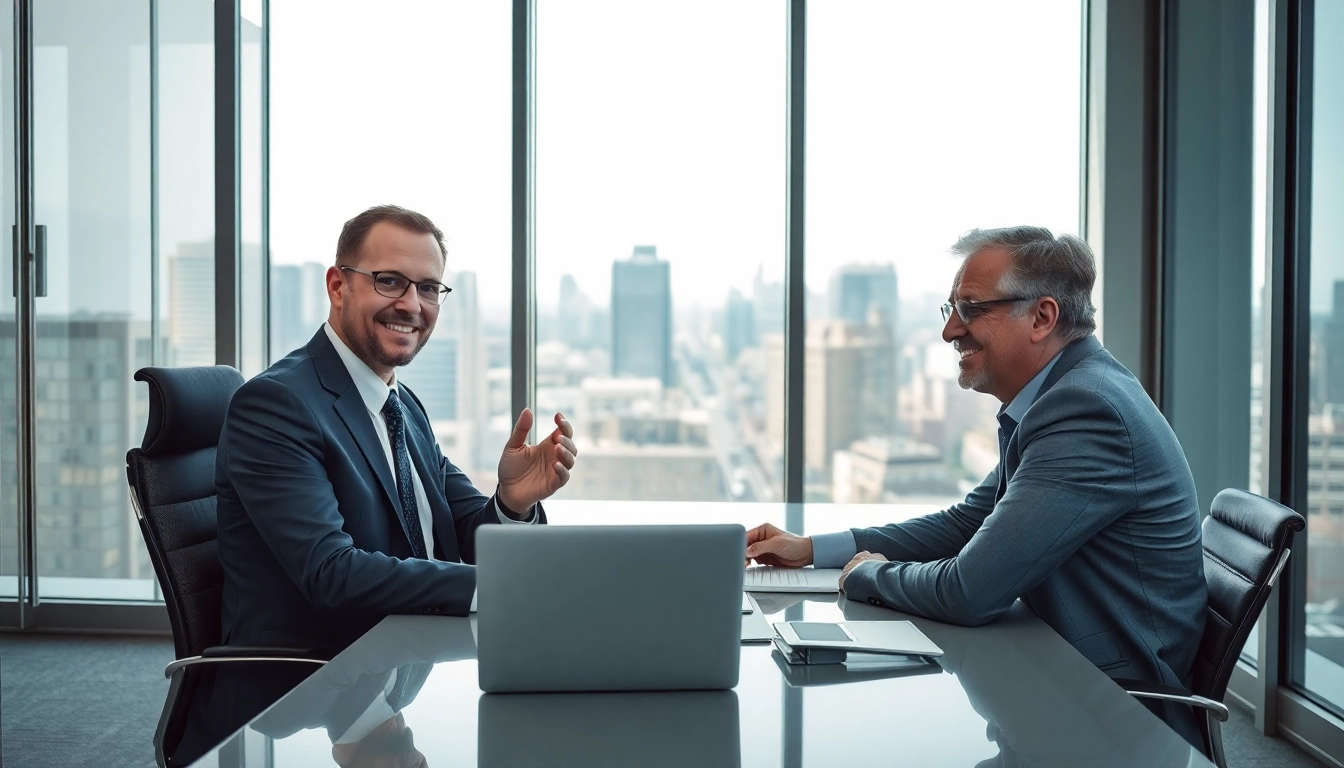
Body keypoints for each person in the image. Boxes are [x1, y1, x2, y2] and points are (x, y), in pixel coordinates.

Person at [745, 226, 1207, 747]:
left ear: (1042, 318)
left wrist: (867, 574)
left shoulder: (1085, 411)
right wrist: (813, 549)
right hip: (1057, 668)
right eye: (951, 310)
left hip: (1110, 714)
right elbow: (967, 523)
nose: (950, 331)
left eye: (971, 308)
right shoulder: (1062, 395)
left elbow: (970, 590)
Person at [211, 204, 577, 721]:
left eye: (428, 288)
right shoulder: (278, 405)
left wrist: (512, 504)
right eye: (389, 282)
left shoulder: (401, 405)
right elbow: (332, 573)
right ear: (338, 286)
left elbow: (456, 532)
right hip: (308, 693)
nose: (412, 305)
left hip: (405, 669)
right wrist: (496, 588)